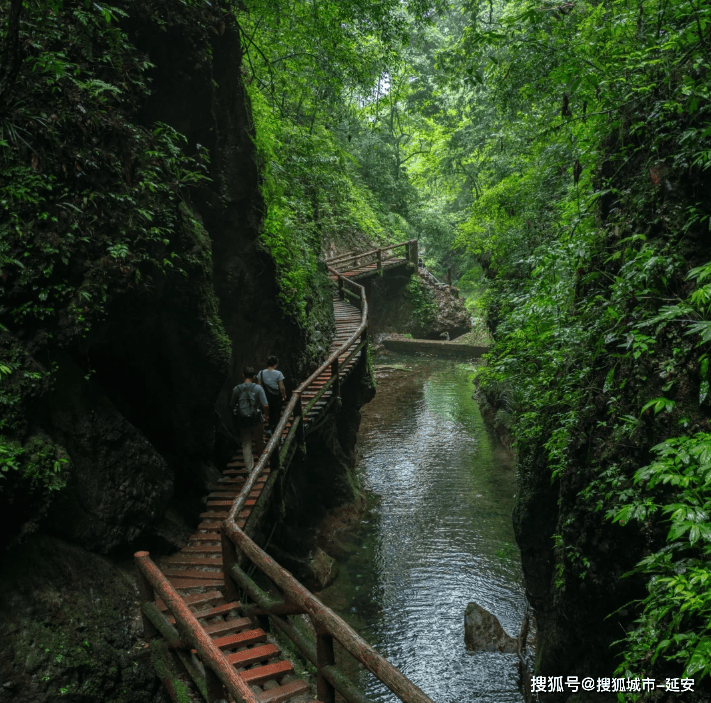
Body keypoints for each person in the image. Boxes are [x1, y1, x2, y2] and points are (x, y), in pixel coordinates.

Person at [230, 367, 269, 473]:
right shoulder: (258, 388)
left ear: (243, 375)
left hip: (243, 420)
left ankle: (250, 470)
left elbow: (232, 404)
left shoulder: (237, 389)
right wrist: (266, 415)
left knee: (246, 444)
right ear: (254, 377)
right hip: (256, 419)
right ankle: (262, 464)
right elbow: (265, 405)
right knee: (259, 441)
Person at [258, 355, 286, 437]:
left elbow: (259, 386)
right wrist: (284, 395)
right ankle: (276, 433)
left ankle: (269, 429)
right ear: (275, 364)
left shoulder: (261, 373)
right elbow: (281, 387)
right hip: (276, 397)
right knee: (276, 413)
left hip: (265, 396)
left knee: (268, 413)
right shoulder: (278, 373)